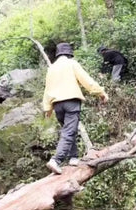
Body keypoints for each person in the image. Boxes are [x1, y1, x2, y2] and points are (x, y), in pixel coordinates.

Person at [43, 43, 109, 175]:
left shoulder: (52, 68)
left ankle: (73, 157)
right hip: (71, 101)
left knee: (69, 130)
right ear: (69, 53)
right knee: (69, 131)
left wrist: (48, 108)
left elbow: (47, 89)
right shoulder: (71, 64)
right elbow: (87, 81)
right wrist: (101, 93)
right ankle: (56, 160)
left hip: (57, 105)